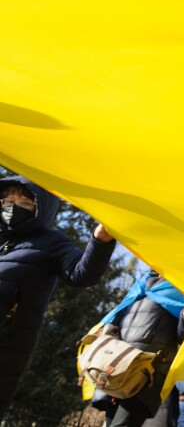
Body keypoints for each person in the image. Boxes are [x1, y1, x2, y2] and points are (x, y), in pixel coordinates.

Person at [0, 175, 116, 417]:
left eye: (24, 203)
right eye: (7, 201)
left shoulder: (51, 242)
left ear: (41, 208)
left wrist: (100, 241)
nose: (12, 208)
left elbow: (82, 274)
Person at [97, 272, 184, 427]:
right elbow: (118, 322)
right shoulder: (141, 283)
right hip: (118, 371)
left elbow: (183, 339)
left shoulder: (181, 287)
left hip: (145, 378)